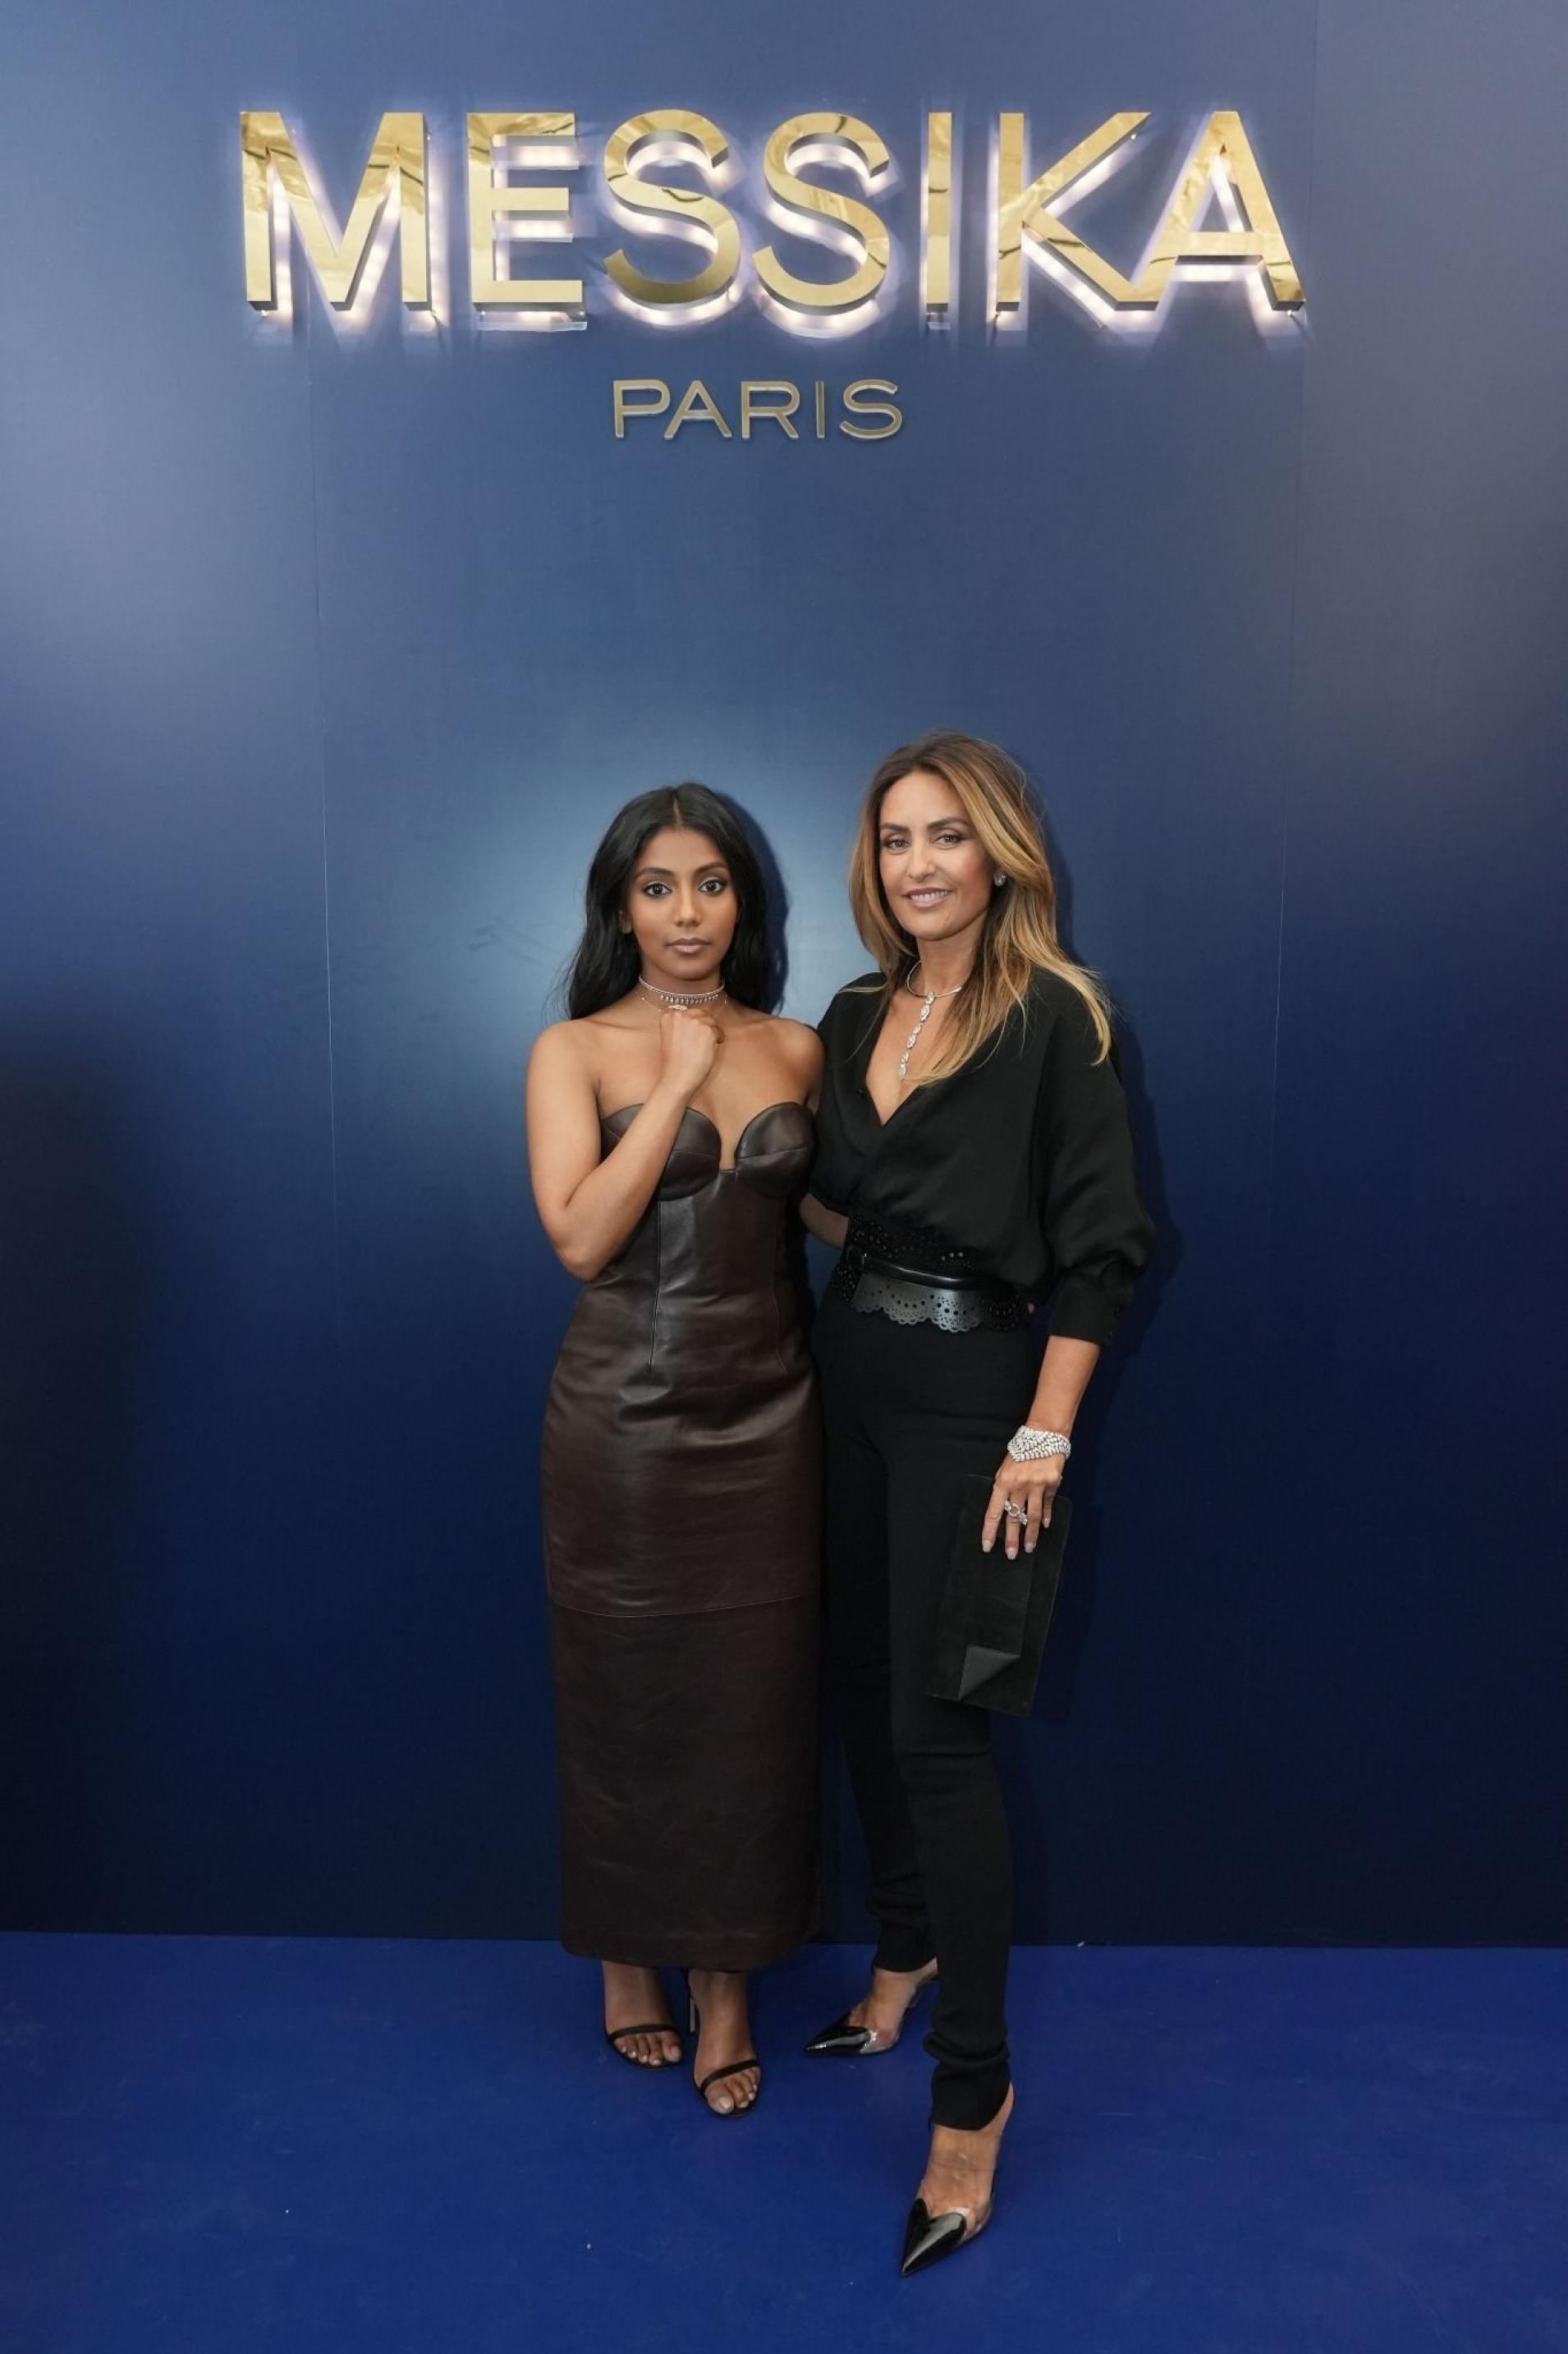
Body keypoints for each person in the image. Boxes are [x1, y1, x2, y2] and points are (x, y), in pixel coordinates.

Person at [800, 731, 1153, 2267]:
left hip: (973, 1402)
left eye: (947, 835)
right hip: (841, 1378)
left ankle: (972, 2097)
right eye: (895, 839)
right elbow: (844, 1201)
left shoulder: (1057, 1016)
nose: (919, 865)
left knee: (938, 1736)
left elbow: (1101, 1254)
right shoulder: (853, 1010)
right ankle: (903, 1949)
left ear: (1001, 852)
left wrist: (1040, 1441)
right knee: (860, 1684)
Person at [525, 784, 823, 2117]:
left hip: (771, 1417)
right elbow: (581, 1237)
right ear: (620, 907)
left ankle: (727, 1984)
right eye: (657, 887)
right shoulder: (574, 1049)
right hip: (625, 1423)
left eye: (711, 883)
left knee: (752, 1708)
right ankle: (625, 1957)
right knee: (627, 1698)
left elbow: (832, 1217)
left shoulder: (799, 1046)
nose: (687, 912)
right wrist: (682, 1081)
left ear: (743, 900)